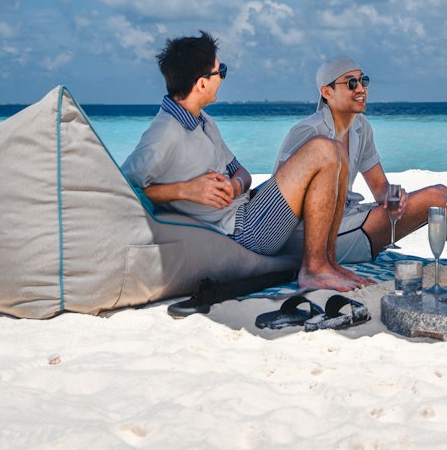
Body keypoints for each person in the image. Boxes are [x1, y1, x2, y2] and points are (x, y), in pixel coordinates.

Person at [122, 32, 360, 292]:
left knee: (337, 152)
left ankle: (328, 262)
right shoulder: (163, 135)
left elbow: (242, 173)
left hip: (249, 207)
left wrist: (235, 185)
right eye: (220, 71)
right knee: (323, 149)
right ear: (202, 83)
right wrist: (184, 191)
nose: (223, 78)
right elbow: (121, 190)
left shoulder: (202, 121)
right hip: (242, 230)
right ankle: (313, 270)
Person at [274, 55, 447, 265]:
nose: (361, 89)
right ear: (327, 92)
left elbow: (380, 189)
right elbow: (279, 200)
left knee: (443, 192)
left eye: (363, 80)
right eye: (351, 83)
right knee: (435, 198)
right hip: (311, 238)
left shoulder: (361, 127)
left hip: (349, 219)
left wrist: (396, 198)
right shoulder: (308, 131)